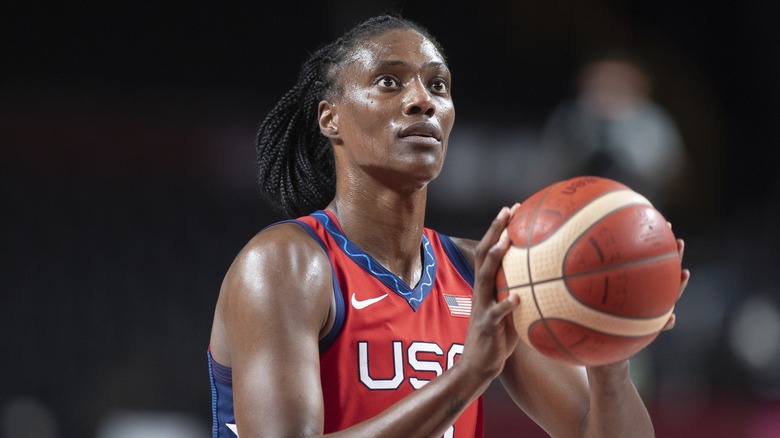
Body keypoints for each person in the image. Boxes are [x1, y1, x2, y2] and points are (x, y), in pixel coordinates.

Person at [207, 15, 689, 437]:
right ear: (330, 118)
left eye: (438, 85)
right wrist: (467, 377)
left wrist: (609, 356)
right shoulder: (284, 265)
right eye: (389, 82)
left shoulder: (485, 270)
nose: (423, 101)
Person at [540, 50, 687, 209]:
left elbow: (674, 178)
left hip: (637, 211)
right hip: (574, 209)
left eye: (616, 77)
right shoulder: (570, 117)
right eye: (602, 77)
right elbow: (546, 171)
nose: (608, 83)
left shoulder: (652, 121)